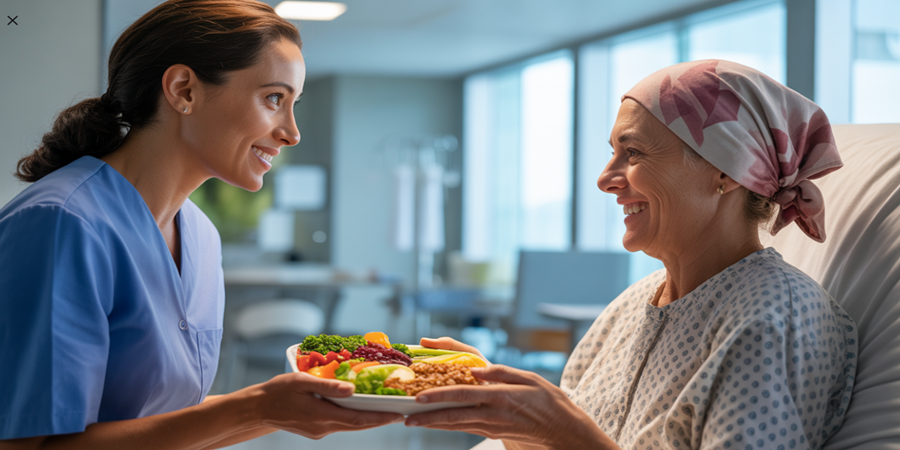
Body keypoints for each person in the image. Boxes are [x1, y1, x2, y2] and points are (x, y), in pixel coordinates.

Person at [0, 1, 403, 448]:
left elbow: (167, 421)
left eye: (293, 104)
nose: (291, 132)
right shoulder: (62, 224)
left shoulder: (201, 237)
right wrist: (256, 408)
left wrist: (294, 408)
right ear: (183, 89)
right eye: (274, 98)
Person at [407, 60, 859, 450]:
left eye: (634, 153)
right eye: (613, 154)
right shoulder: (632, 305)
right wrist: (507, 408)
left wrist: (569, 437)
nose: (605, 179)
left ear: (726, 172)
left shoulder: (773, 316)